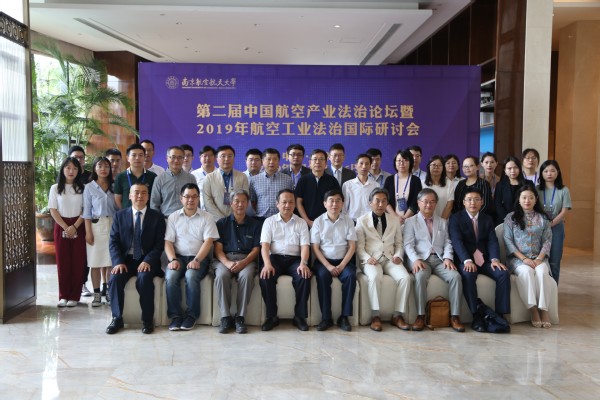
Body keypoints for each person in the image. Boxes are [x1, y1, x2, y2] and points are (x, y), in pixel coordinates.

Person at [106, 182, 166, 335]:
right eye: (136, 192)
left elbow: (159, 244)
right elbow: (113, 242)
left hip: (147, 260)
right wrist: (118, 262)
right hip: (125, 260)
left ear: (148, 196)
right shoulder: (119, 216)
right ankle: (117, 318)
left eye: (144, 192)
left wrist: (148, 260)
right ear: (130, 196)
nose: (140, 196)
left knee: (144, 279)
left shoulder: (157, 217)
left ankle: (147, 320)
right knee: (115, 278)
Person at [449, 187, 510, 332]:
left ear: (482, 202)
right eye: (469, 200)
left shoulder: (487, 219)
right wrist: (467, 260)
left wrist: (495, 259)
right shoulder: (456, 218)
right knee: (468, 274)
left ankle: (500, 315)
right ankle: (476, 315)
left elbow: (492, 241)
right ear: (464, 202)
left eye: (476, 199)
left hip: (485, 260)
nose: (473, 203)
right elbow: (457, 241)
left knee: (503, 273)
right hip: (465, 260)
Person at [403, 189, 465, 332]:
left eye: (432, 202)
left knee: (455, 276)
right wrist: (415, 260)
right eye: (425, 202)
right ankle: (420, 316)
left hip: (439, 259)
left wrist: (448, 258)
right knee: (419, 277)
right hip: (421, 260)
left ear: (436, 204)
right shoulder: (410, 222)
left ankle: (455, 316)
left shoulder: (442, 222)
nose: (428, 205)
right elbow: (408, 244)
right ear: (418, 203)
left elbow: (448, 242)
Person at [356, 187, 411, 332]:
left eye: (384, 201)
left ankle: (397, 316)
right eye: (377, 201)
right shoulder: (361, 221)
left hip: (390, 258)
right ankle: (375, 316)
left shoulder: (394, 220)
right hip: (371, 259)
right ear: (370, 203)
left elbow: (399, 243)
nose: (380, 204)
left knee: (405, 278)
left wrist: (398, 255)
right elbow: (359, 247)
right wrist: (367, 258)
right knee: (374, 277)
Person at [164, 183, 218, 331]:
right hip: (179, 257)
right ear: (181, 198)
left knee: (191, 275)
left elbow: (208, 242)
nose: (191, 200)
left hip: (200, 258)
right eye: (187, 196)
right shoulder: (173, 217)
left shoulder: (207, 217)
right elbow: (168, 242)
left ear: (199, 198)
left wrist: (197, 260)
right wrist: (172, 259)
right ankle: (175, 316)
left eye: (194, 197)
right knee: (171, 276)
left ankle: (191, 316)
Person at [259, 189, 311, 331]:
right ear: (277, 204)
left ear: (294, 204)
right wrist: (267, 264)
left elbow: (305, 246)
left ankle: (299, 317)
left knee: (304, 276)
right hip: (275, 258)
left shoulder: (301, 222)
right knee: (265, 276)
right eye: (284, 202)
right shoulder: (269, 222)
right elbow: (265, 246)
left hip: (295, 259)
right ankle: (272, 317)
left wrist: (303, 263)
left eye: (291, 202)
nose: (287, 205)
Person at [503, 185, 554, 328]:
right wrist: (524, 259)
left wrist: (539, 259)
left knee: (542, 272)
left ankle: (544, 309)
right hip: (517, 259)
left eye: (531, 197)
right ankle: (533, 310)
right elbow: (508, 241)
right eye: (524, 197)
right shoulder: (510, 218)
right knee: (526, 272)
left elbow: (547, 240)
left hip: (539, 258)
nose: (527, 200)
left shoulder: (543, 218)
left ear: (536, 199)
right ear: (519, 199)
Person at [213, 189, 261, 334]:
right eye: (237, 201)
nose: (240, 204)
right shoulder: (222, 223)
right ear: (231, 203)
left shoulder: (255, 224)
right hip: (226, 259)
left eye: (243, 201)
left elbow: (256, 249)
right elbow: (218, 250)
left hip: (247, 259)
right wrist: (227, 263)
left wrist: (244, 263)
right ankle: (225, 317)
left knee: (246, 276)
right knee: (221, 275)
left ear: (248, 203)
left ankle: (240, 317)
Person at [311, 189, 357, 332]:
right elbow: (315, 248)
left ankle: (344, 317)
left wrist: (342, 265)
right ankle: (326, 318)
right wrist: (328, 266)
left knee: (350, 276)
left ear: (342, 203)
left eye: (338, 201)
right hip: (323, 261)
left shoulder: (348, 221)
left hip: (344, 260)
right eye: (331, 201)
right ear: (325, 203)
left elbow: (352, 246)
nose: (334, 204)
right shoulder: (318, 221)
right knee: (323, 276)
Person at [49, 157, 86, 308]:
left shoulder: (83, 188)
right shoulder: (55, 188)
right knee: (62, 262)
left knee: (78, 262)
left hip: (79, 225)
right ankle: (63, 295)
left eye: (75, 168)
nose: (71, 171)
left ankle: (75, 296)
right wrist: (66, 227)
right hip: (61, 225)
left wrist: (74, 227)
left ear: (79, 171)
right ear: (63, 169)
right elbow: (53, 210)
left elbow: (85, 210)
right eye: (68, 168)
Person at [83, 157, 117, 306]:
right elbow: (86, 212)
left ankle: (108, 292)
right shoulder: (89, 187)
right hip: (96, 226)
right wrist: (88, 232)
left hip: (112, 225)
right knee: (95, 262)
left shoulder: (114, 185)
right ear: (94, 168)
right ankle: (96, 295)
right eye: (100, 166)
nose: (103, 169)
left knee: (110, 262)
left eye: (106, 166)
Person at [537, 160, 572, 284]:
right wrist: (543, 225)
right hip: (539, 228)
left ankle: (554, 290)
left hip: (557, 228)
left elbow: (564, 211)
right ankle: (542, 289)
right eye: (546, 171)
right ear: (541, 173)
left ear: (558, 172)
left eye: (552, 171)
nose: (549, 173)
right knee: (539, 260)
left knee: (554, 261)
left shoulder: (564, 190)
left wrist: (550, 224)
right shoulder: (537, 189)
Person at [295, 149, 340, 228]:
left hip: (328, 223)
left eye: (321, 159)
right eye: (315, 159)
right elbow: (298, 202)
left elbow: (337, 201)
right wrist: (307, 221)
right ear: (310, 163)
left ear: (325, 163)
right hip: (306, 224)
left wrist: (331, 219)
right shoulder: (303, 180)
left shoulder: (332, 180)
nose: (318, 162)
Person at [203, 145, 249, 221]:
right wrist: (222, 220)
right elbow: (207, 202)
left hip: (237, 220)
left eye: (230, 156)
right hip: (216, 221)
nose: (226, 159)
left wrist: (234, 217)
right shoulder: (209, 178)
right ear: (217, 159)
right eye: (223, 156)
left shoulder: (242, 176)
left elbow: (245, 198)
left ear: (234, 159)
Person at [150, 146, 197, 218]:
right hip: (166, 220)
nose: (176, 160)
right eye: (173, 157)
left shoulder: (191, 178)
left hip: (188, 219)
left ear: (183, 159)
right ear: (167, 158)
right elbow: (154, 204)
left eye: (180, 157)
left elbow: (196, 201)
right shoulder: (159, 179)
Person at [249, 148, 293, 220]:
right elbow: (253, 201)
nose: (271, 162)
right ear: (263, 161)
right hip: (261, 219)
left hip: (281, 219)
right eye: (268, 159)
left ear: (278, 161)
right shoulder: (254, 180)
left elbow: (291, 200)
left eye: (275, 159)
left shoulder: (287, 179)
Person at [113, 143, 158, 210]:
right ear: (128, 158)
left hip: (147, 214)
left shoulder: (153, 176)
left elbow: (155, 198)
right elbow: (117, 198)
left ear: (144, 157)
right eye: (134, 155)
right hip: (127, 214)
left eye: (140, 155)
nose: (137, 158)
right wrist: (124, 212)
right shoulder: (120, 177)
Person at [384, 149, 422, 225]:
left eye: (405, 160)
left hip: (410, 221)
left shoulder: (416, 180)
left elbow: (416, 201)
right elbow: (385, 200)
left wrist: (404, 218)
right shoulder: (389, 180)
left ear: (410, 162)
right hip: (391, 220)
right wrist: (395, 217)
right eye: (399, 160)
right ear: (395, 162)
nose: (402, 163)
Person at [342, 153, 379, 222]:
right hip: (352, 221)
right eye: (361, 163)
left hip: (370, 221)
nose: (364, 166)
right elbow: (344, 207)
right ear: (356, 166)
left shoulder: (376, 185)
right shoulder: (347, 185)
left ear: (370, 166)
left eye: (367, 164)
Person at [494, 156, 526, 225]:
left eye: (515, 167)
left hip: (524, 220)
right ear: (505, 170)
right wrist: (508, 219)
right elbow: (497, 204)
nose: (513, 171)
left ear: (520, 169)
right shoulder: (500, 185)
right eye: (509, 168)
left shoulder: (528, 184)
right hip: (504, 221)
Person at [422, 155, 454, 219]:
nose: (436, 167)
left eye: (439, 165)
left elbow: (449, 205)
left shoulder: (449, 183)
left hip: (443, 220)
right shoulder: (422, 183)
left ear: (443, 168)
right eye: (434, 165)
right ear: (429, 167)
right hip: (425, 220)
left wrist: (441, 222)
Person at [191, 145, 217, 210]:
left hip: (219, 212)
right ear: (200, 158)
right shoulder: (194, 175)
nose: (207, 158)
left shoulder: (221, 174)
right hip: (201, 211)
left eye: (210, 156)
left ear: (215, 158)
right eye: (205, 156)